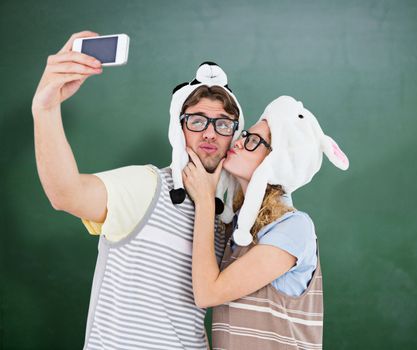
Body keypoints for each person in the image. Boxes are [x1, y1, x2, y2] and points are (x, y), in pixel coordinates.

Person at [32, 31, 244, 349]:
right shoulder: (147, 186)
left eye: (223, 123)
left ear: (234, 135)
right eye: (197, 121)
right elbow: (66, 194)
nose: (210, 134)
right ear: (179, 127)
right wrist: (45, 109)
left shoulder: (224, 221)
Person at [183, 95, 349, 349]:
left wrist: (205, 201)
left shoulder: (293, 228)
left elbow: (207, 293)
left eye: (253, 141)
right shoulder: (238, 228)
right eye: (244, 135)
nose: (238, 143)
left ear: (279, 160)